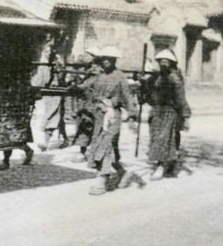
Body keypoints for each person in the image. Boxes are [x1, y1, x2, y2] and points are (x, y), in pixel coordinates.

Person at [72, 46, 137, 195]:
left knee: (105, 144)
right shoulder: (98, 75)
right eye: (104, 59)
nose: (106, 62)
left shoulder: (120, 76)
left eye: (110, 59)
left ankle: (102, 179)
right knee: (103, 145)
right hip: (99, 116)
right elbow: (84, 86)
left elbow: (127, 97)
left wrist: (132, 115)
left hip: (113, 115)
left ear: (114, 61)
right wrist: (75, 88)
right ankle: (123, 173)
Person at [141, 49, 191, 180]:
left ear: (171, 63)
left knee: (163, 139)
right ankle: (168, 162)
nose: (163, 64)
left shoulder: (174, 78)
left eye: (166, 61)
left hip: (169, 112)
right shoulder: (154, 77)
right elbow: (146, 94)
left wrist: (185, 117)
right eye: (161, 61)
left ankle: (161, 166)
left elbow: (181, 99)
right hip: (155, 112)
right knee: (156, 138)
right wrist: (142, 84)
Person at [71, 46, 103, 163]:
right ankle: (82, 151)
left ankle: (92, 153)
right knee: (84, 125)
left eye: (89, 54)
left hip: (93, 102)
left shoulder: (97, 70)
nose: (86, 56)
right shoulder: (88, 69)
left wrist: (78, 87)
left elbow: (88, 84)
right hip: (85, 102)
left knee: (90, 126)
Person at [35, 45, 69, 151]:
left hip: (56, 91)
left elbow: (62, 77)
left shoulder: (58, 63)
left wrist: (58, 68)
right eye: (46, 51)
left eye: (50, 52)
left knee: (53, 114)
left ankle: (46, 141)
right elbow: (41, 77)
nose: (48, 53)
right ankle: (66, 138)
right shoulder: (44, 63)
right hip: (48, 92)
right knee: (56, 115)